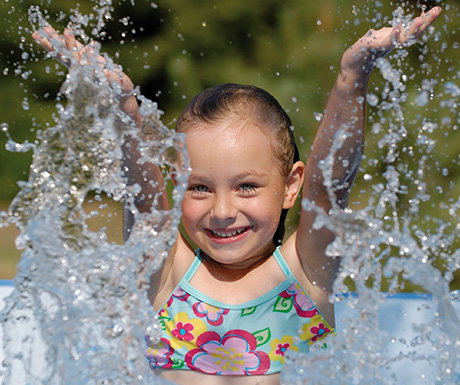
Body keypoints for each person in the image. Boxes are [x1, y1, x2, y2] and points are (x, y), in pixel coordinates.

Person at [33, 6, 441, 385]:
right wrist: (124, 113)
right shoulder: (167, 276)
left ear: (291, 185)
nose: (223, 211)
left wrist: (352, 79)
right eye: (199, 187)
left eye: (246, 186)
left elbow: (330, 188)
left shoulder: (304, 273)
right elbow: (143, 200)